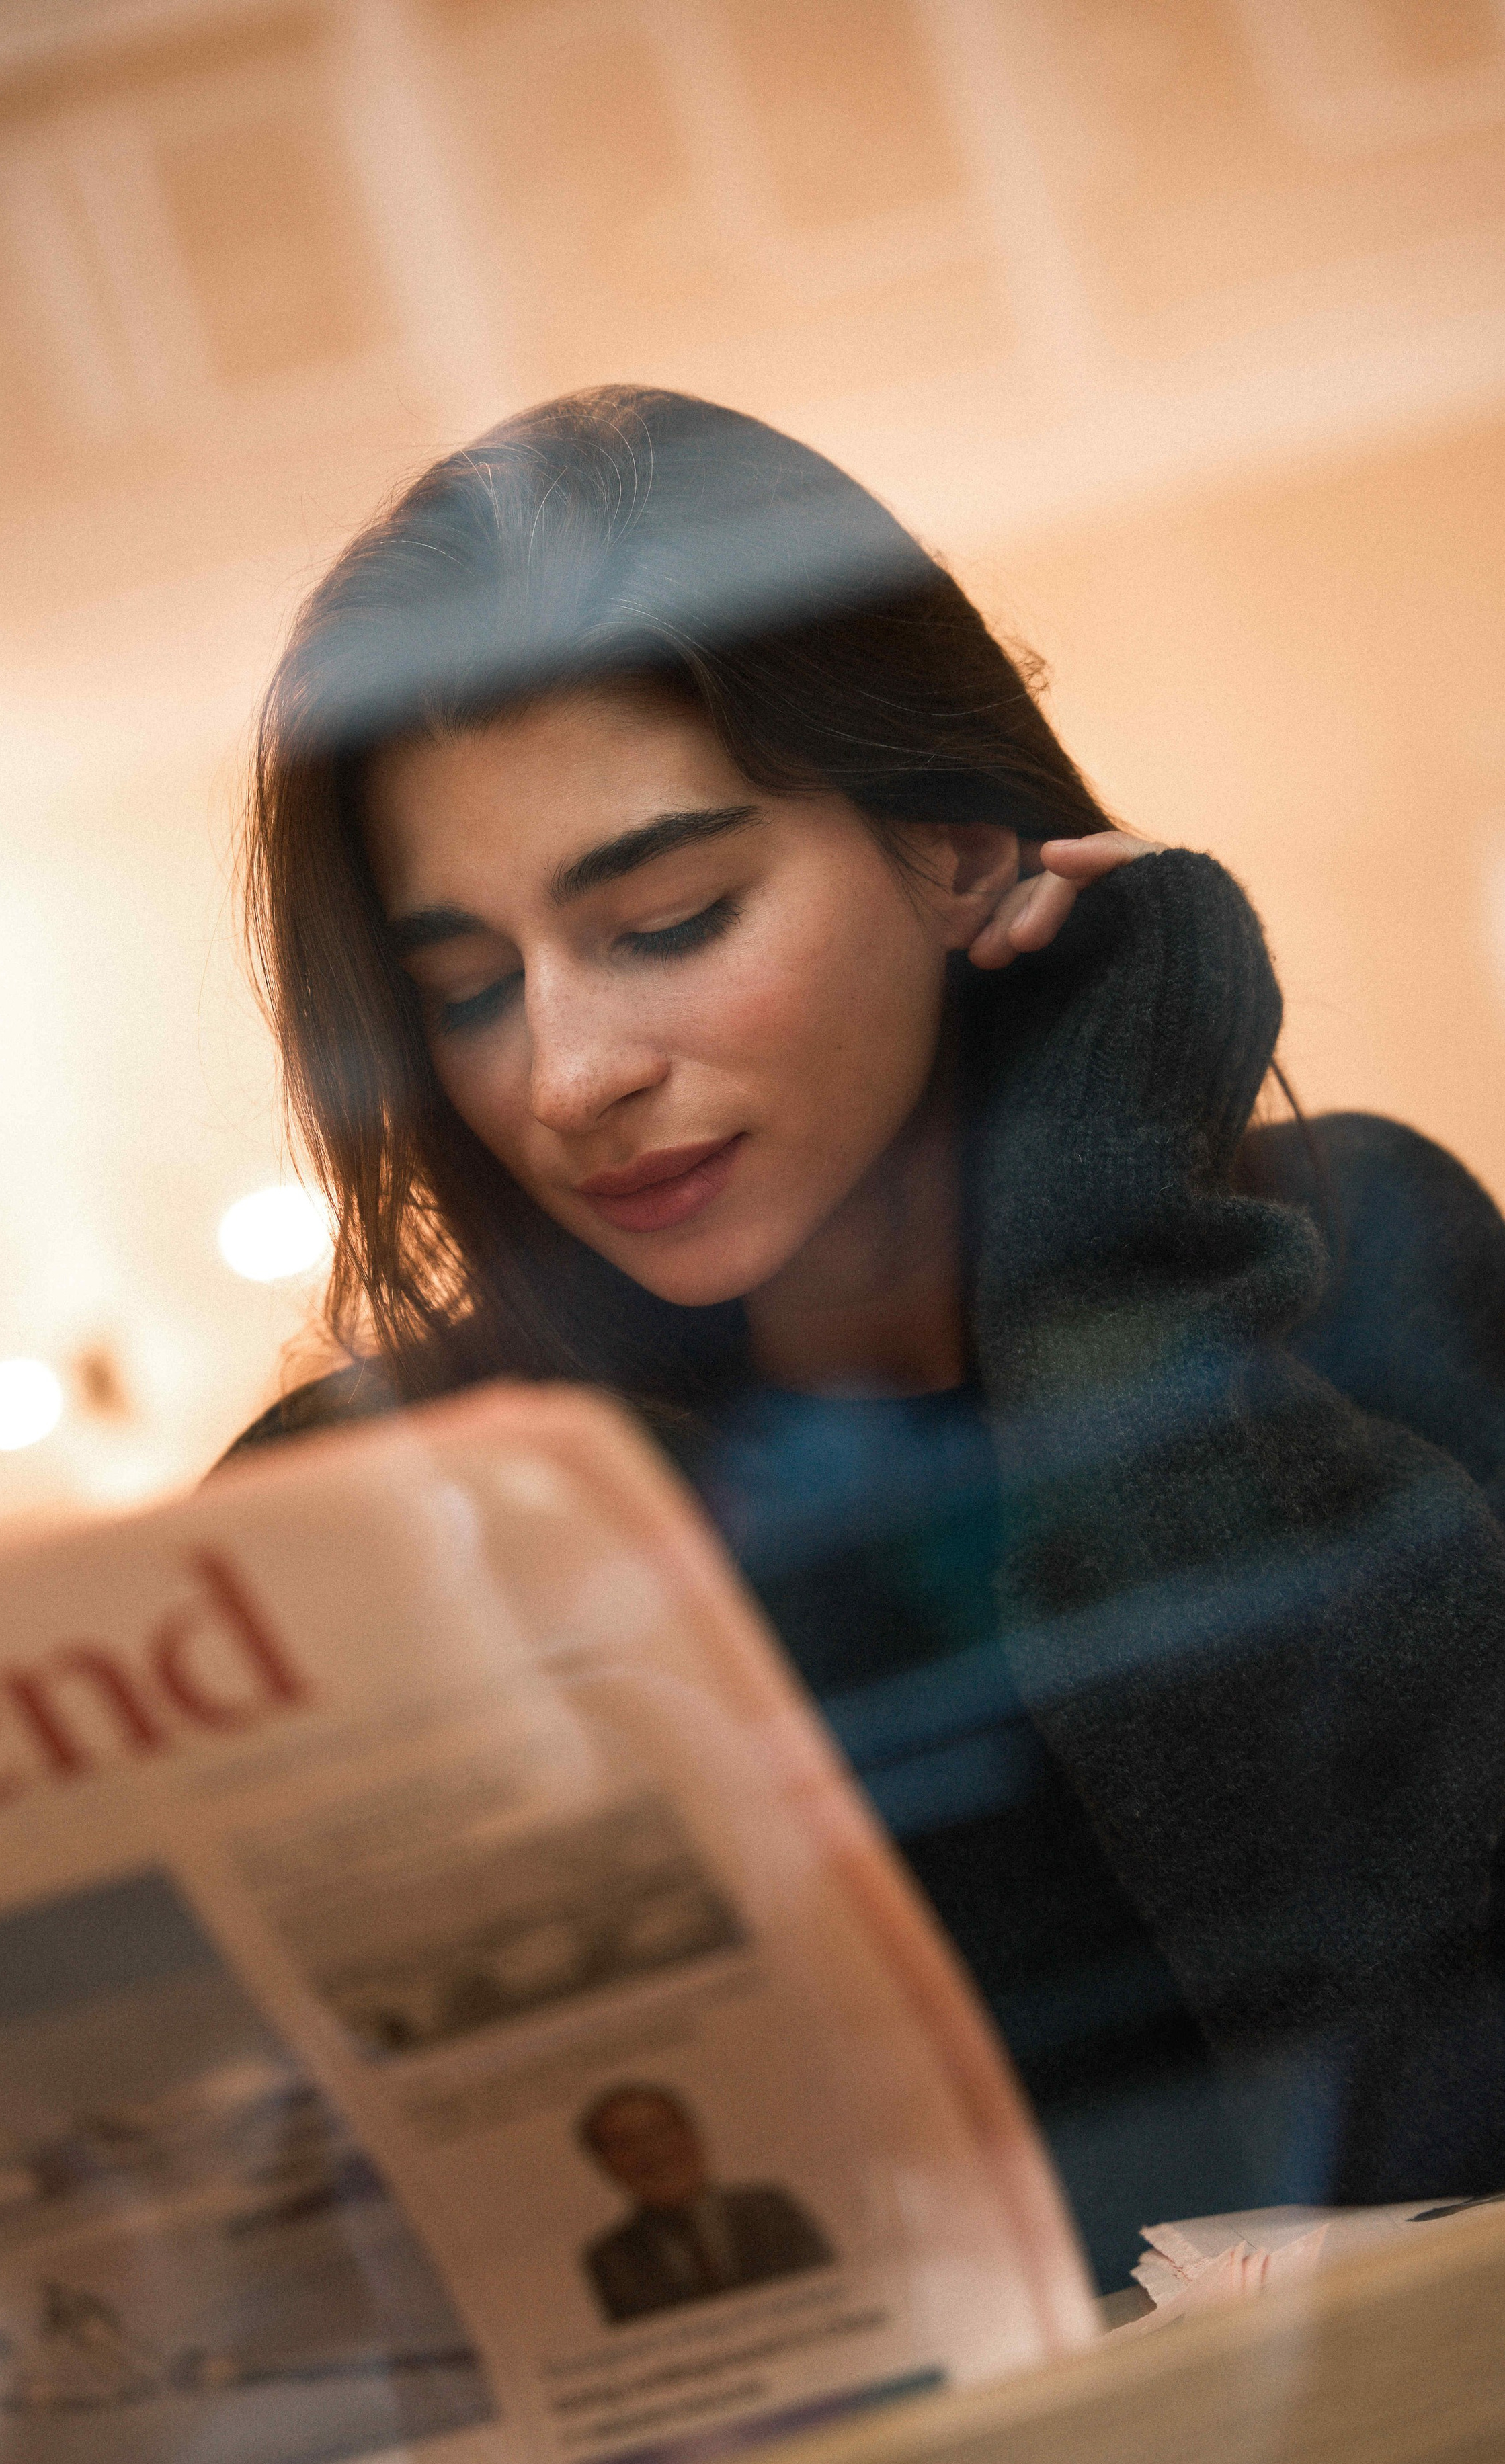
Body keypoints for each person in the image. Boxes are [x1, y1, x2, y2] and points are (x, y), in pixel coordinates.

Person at [220, 386, 1505, 2288]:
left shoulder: (1357, 1252)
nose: (566, 1075)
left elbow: (1428, 2005)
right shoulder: (372, 1499)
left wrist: (1105, 1250)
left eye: (667, 918)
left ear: (959, 853)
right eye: (469, 991)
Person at [576, 2085, 833, 2324]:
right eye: (624, 2144)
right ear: (604, 2163)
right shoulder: (611, 2258)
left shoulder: (769, 2210)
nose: (652, 2154)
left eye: (659, 2132)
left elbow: (829, 2293)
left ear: (692, 2136)